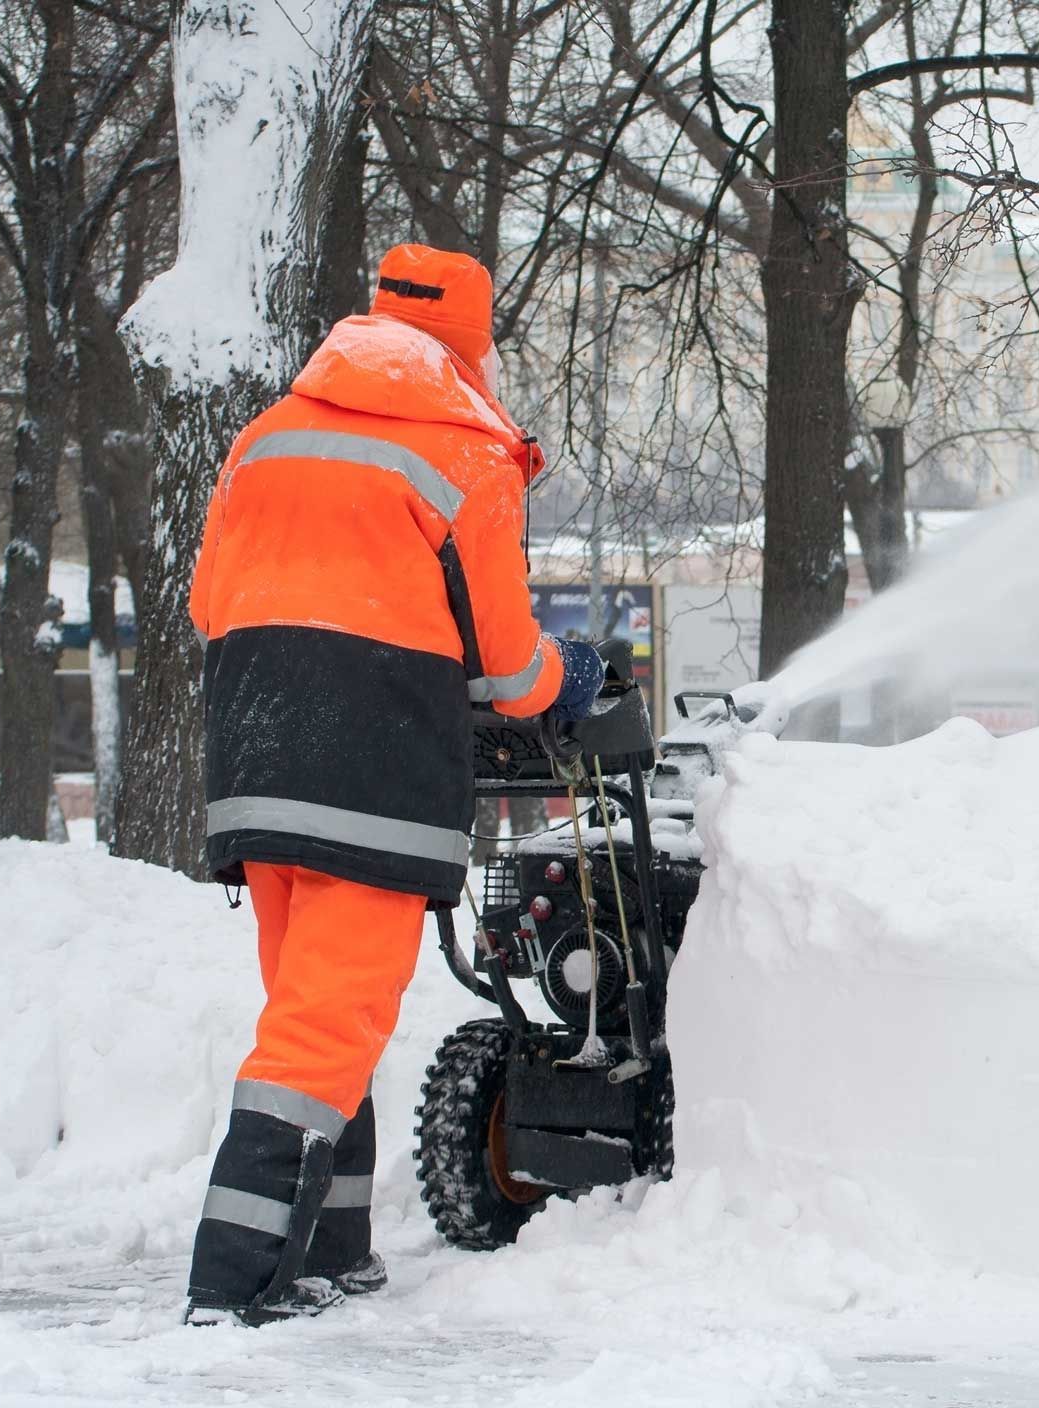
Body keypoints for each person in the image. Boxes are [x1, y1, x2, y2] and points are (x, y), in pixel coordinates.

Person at [183, 243, 606, 1325]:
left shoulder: (268, 436)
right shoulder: (466, 451)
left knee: (324, 1015)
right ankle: (233, 1282)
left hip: (256, 760)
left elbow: (207, 604)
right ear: (473, 342)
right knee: (327, 1026)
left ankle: (334, 1248)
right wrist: (576, 674)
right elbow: (511, 673)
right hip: (366, 775)